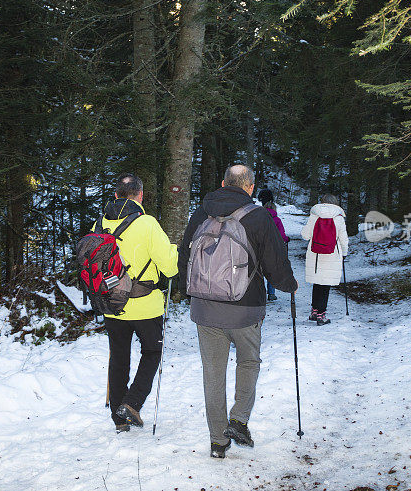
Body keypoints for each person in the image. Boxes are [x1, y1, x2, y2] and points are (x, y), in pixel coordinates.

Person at [178, 164, 298, 459]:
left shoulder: (200, 214)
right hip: (246, 308)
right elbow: (275, 265)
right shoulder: (258, 217)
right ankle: (239, 420)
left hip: (205, 310)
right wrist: (289, 285)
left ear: (222, 183)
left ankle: (218, 441)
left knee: (213, 374)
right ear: (250, 188)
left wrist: (187, 293)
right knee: (249, 362)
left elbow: (184, 257)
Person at [99, 174, 178, 433]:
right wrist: (174, 251)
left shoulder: (99, 224)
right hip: (145, 304)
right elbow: (169, 267)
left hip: (112, 304)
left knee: (119, 358)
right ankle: (132, 404)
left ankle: (119, 418)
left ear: (116, 195)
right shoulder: (147, 223)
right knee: (152, 352)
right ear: (140, 195)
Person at [300, 193, 348, 325]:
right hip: (332, 254)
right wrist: (344, 252)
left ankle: (314, 311)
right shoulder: (339, 218)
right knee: (325, 284)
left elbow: (305, 235)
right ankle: (322, 315)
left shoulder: (314, 216)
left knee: (317, 282)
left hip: (315, 254)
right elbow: (343, 239)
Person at [260, 196, 290, 301]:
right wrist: (286, 239)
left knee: (259, 271)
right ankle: (271, 293)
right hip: (273, 249)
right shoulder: (277, 220)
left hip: (260, 247)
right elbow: (281, 235)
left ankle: (259, 292)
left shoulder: (259, 219)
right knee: (271, 270)